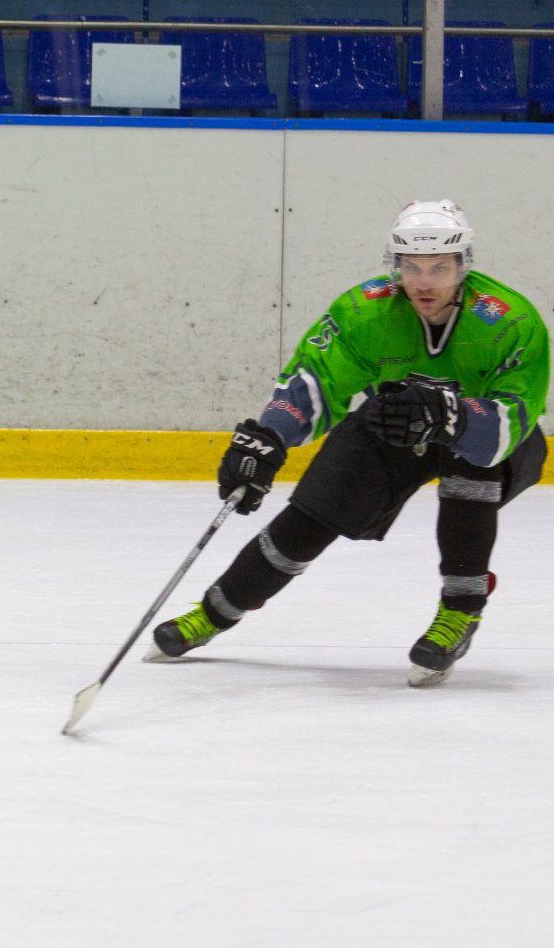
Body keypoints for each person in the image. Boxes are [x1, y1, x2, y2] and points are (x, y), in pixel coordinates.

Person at [150, 199, 548, 685]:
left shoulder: (511, 322)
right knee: (314, 512)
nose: (424, 283)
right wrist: (270, 436)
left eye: (439, 268)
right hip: (393, 423)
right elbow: (315, 380)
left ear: (463, 265)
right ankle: (214, 612)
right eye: (412, 267)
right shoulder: (364, 311)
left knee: (471, 473)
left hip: (485, 434)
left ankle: (461, 611)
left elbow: (514, 417)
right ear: (395, 264)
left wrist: (452, 416)